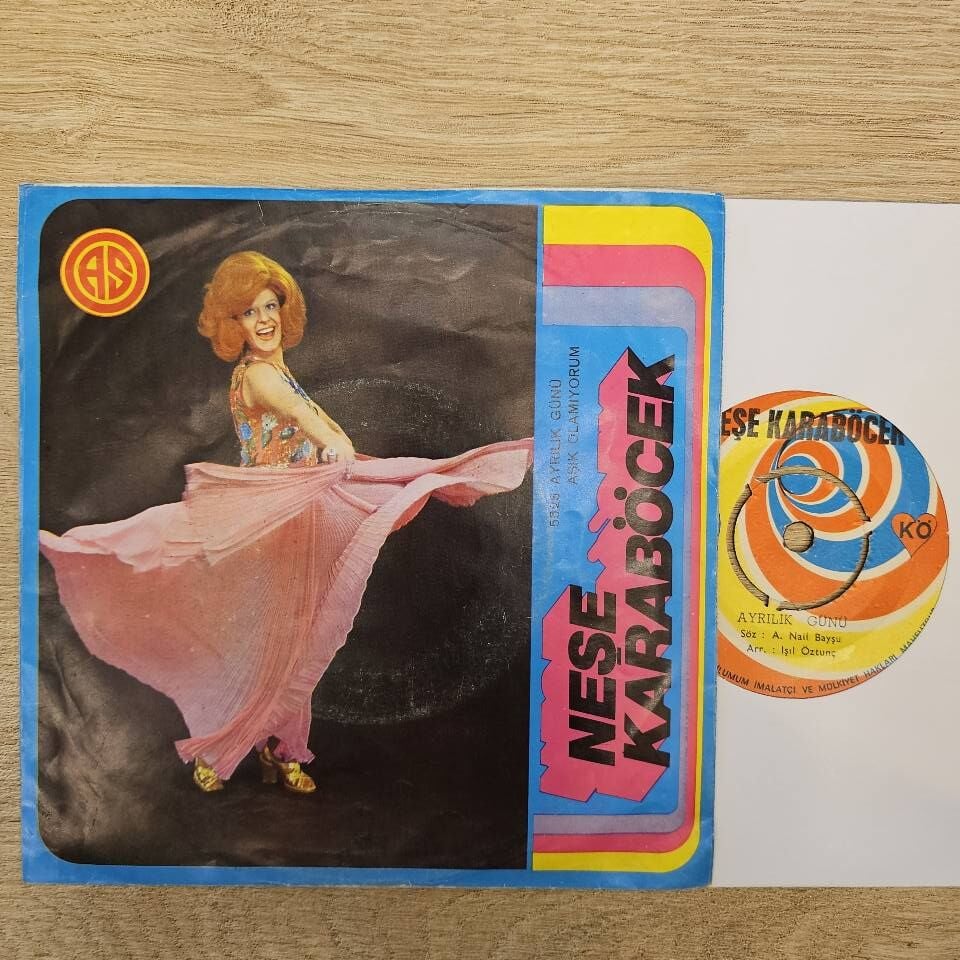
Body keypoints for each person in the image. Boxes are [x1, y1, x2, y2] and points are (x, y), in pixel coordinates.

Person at [39, 250, 533, 798]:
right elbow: (318, 429)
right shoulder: (259, 376)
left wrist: (340, 453)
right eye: (249, 312)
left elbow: (323, 426)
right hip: (273, 524)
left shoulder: (275, 370)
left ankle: (279, 748)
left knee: (291, 642)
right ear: (233, 323)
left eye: (270, 306)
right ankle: (224, 747)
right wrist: (337, 451)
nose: (264, 320)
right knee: (272, 644)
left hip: (292, 518)